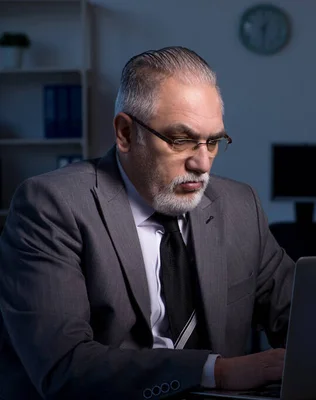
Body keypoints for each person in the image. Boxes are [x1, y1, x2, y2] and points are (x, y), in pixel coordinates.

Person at [0, 46, 295, 400]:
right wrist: (217, 372)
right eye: (181, 140)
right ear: (125, 133)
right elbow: (64, 367)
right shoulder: (51, 206)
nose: (202, 164)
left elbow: (300, 316)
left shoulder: (239, 207)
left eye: (213, 142)